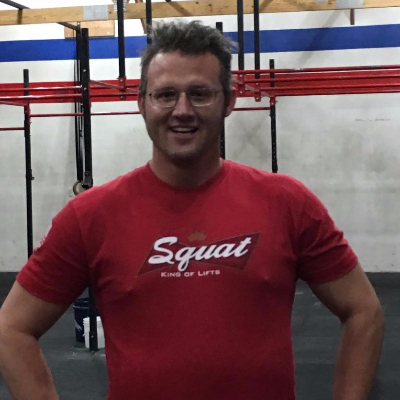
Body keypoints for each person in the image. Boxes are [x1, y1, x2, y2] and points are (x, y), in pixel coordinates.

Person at [0, 21, 384, 400]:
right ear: (142, 103)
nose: (182, 110)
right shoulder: (90, 216)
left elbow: (364, 311)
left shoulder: (288, 203)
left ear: (229, 101)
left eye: (200, 94)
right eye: (165, 94)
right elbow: (11, 328)